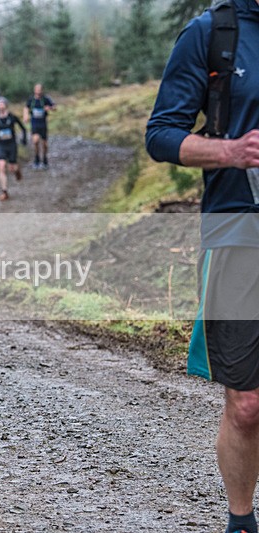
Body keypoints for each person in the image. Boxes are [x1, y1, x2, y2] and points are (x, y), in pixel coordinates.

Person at [146, 2, 259, 532]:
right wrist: (231, 151)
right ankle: (241, 522)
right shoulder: (214, 33)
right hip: (239, 234)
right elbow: (162, 134)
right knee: (247, 406)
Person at [0, 97, 27, 201]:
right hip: (1, 145)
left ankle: (17, 171)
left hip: (11, 145)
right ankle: (4, 191)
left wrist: (24, 138)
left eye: (2, 103)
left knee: (12, 168)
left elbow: (23, 128)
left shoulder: (12, 117)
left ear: (6, 105)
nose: (0, 105)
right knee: (1, 166)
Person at [23, 83, 55, 169]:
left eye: (39, 90)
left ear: (42, 90)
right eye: (37, 89)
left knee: (44, 144)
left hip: (43, 124)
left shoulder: (46, 99)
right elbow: (26, 107)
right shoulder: (31, 99)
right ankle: (37, 158)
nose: (38, 91)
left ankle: (44, 159)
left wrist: (49, 108)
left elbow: (54, 106)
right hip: (34, 124)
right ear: (34, 90)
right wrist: (25, 116)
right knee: (36, 141)